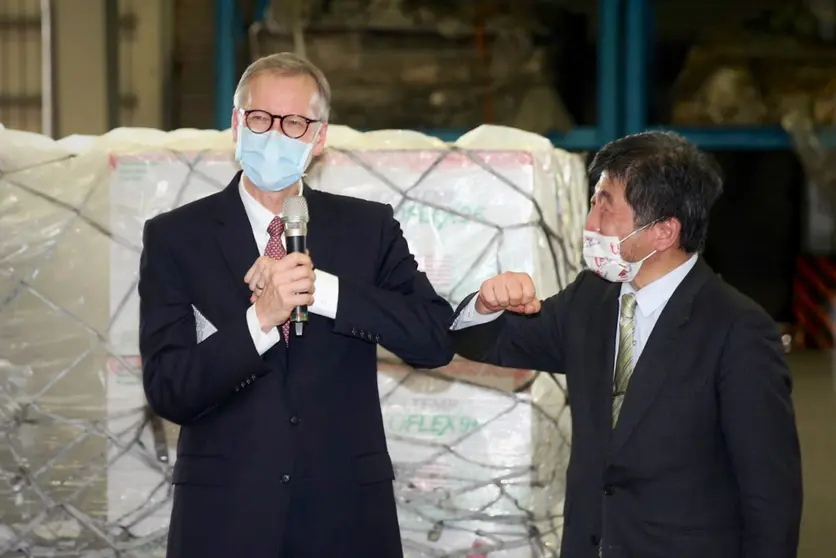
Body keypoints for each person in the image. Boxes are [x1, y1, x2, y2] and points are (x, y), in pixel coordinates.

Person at [138, 52, 454, 558]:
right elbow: (168, 389)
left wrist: (325, 291)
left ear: (319, 136)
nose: (274, 135)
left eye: (294, 123)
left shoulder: (367, 229)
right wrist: (259, 320)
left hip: (345, 517)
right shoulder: (177, 237)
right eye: (260, 120)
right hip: (225, 520)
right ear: (237, 125)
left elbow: (435, 337)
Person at [449, 131, 802, 558]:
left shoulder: (737, 331)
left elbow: (770, 497)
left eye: (606, 206)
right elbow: (491, 342)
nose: (590, 224)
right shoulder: (590, 299)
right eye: (593, 202)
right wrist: (485, 304)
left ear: (663, 232)